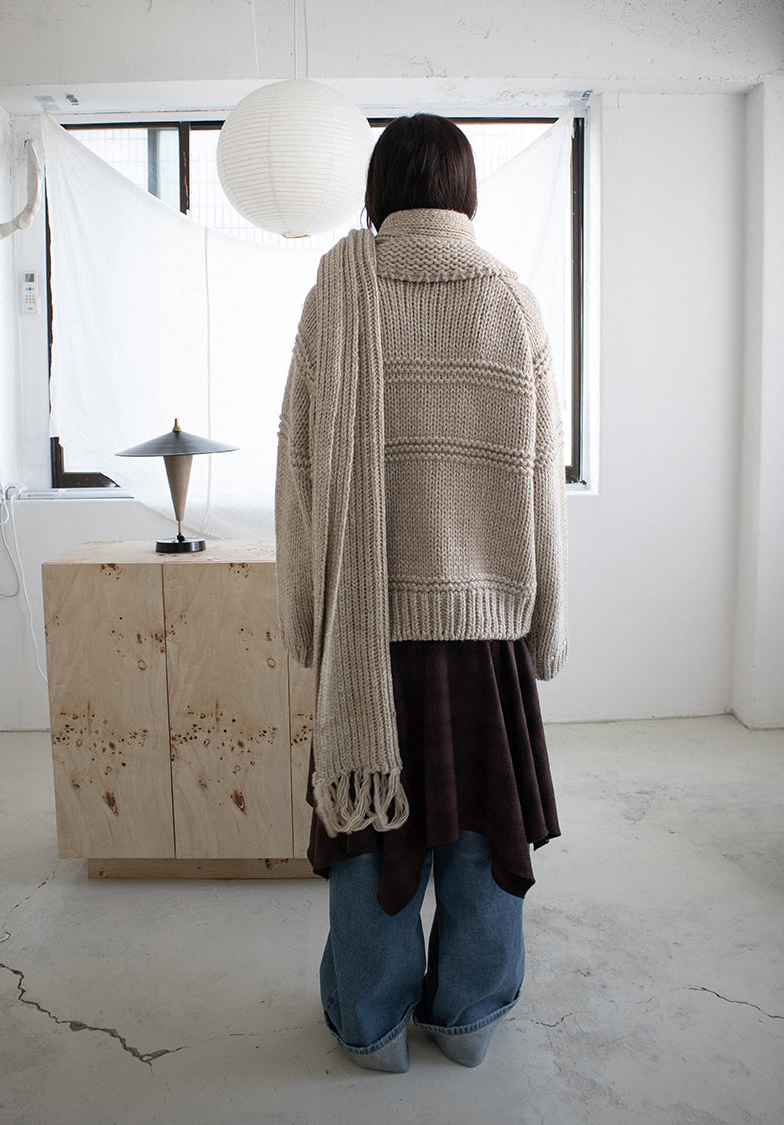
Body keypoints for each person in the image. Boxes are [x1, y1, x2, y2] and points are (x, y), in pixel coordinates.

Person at [275, 113, 568, 1073]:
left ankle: (370, 1026)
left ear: (379, 190)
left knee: (368, 836)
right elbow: (542, 481)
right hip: (483, 634)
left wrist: (306, 615)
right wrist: (545, 623)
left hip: (368, 630)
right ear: (463, 190)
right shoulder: (513, 302)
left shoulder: (336, 299)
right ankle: (469, 1018)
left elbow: (296, 472)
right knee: (482, 831)